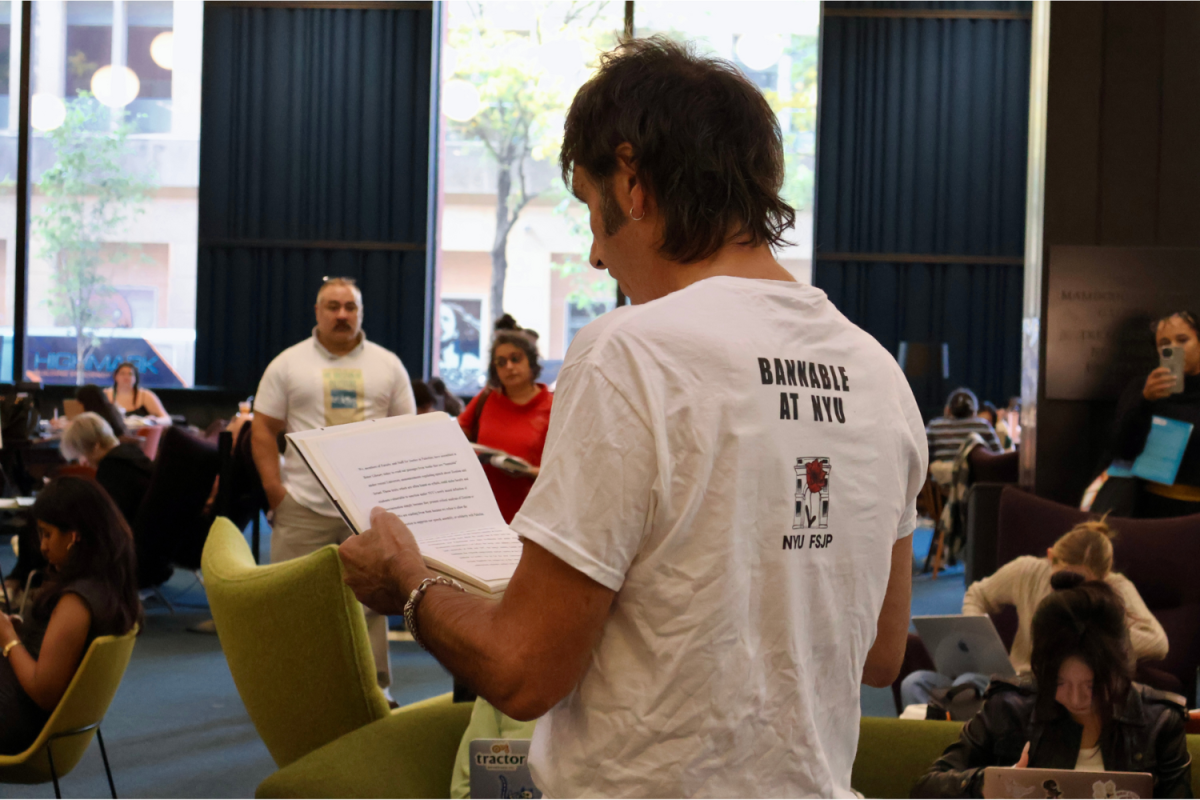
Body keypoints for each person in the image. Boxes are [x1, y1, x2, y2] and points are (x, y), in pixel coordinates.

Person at [339, 37, 926, 797]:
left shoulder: (632, 351)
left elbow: (523, 672)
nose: (593, 255)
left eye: (590, 208)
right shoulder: (880, 374)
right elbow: (881, 655)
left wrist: (409, 584)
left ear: (633, 178)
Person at [251, 276, 416, 697]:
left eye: (350, 306)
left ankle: (375, 688)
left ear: (360, 312)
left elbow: (407, 433)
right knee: (292, 600)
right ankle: (291, 692)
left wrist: (393, 500)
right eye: (332, 306)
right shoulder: (287, 364)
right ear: (317, 312)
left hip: (368, 509)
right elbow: (263, 428)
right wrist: (276, 492)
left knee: (372, 602)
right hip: (302, 506)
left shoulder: (388, 365)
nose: (342, 314)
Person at [911, 572, 1191, 798]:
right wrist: (990, 783)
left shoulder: (1159, 721)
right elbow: (926, 788)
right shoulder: (1009, 707)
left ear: (1120, 671)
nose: (1076, 699)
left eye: (1092, 686)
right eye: (1059, 683)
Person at [901, 519, 1167, 707]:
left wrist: (1098, 637)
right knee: (914, 684)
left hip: (1044, 689)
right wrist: (977, 633)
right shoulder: (1028, 570)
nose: (1068, 589)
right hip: (1007, 677)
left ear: (1103, 578)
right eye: (1061, 578)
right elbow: (978, 594)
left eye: (1081, 584)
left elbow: (1157, 641)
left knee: (970, 686)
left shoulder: (1116, 587)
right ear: (1050, 557)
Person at [0, 477, 142, 755]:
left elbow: (44, 693)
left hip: (15, 721)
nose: (42, 547)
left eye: (47, 534)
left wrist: (8, 640)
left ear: (74, 535)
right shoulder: (108, 588)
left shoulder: (76, 601)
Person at [457, 316, 553, 524]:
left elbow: (566, 467)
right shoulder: (486, 398)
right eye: (501, 362)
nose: (509, 366)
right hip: (482, 514)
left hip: (532, 518)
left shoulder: (553, 406)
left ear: (531, 361)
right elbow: (457, 435)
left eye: (515, 359)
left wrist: (530, 472)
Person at [1112, 311, 1200, 518]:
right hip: (1153, 507)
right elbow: (1122, 451)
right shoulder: (1144, 388)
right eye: (1164, 343)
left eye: (1183, 340)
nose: (1173, 349)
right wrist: (1145, 402)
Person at [926, 387, 1002, 462]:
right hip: (976, 473)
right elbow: (998, 457)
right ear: (974, 412)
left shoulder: (934, 426)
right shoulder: (983, 425)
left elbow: (923, 457)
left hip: (941, 473)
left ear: (948, 410)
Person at [105, 362, 171, 425]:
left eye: (130, 374)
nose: (126, 376)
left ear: (135, 378)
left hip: (142, 434)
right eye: (122, 373)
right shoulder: (105, 394)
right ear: (115, 376)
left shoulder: (146, 395)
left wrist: (154, 421)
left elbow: (167, 419)